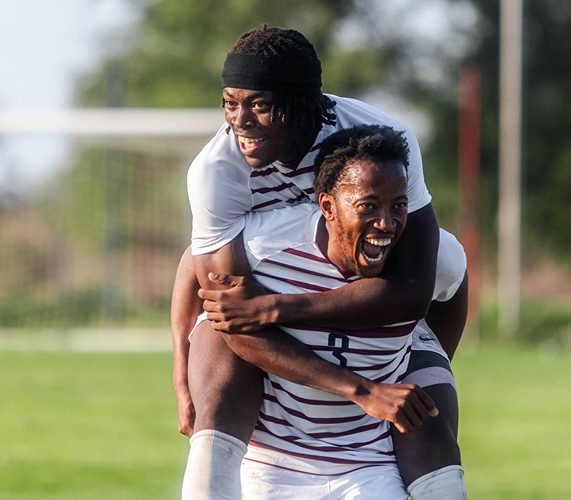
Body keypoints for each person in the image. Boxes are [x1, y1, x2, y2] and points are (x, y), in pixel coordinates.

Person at [172, 25, 469, 498]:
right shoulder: (217, 172)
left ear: (301, 103)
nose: (240, 121)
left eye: (260, 105)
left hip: (321, 292)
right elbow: (220, 299)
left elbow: (415, 289)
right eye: (230, 103)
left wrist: (281, 309)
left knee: (448, 263)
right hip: (274, 278)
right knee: (220, 335)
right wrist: (180, 368)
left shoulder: (378, 140)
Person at [228, 124, 466, 498]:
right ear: (328, 206)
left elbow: (455, 286)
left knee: (431, 403)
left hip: (368, 466)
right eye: (368, 206)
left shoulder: (429, 257)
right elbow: (196, 264)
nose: (386, 224)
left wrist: (426, 357)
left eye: (399, 206)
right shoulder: (266, 246)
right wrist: (181, 377)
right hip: (273, 465)